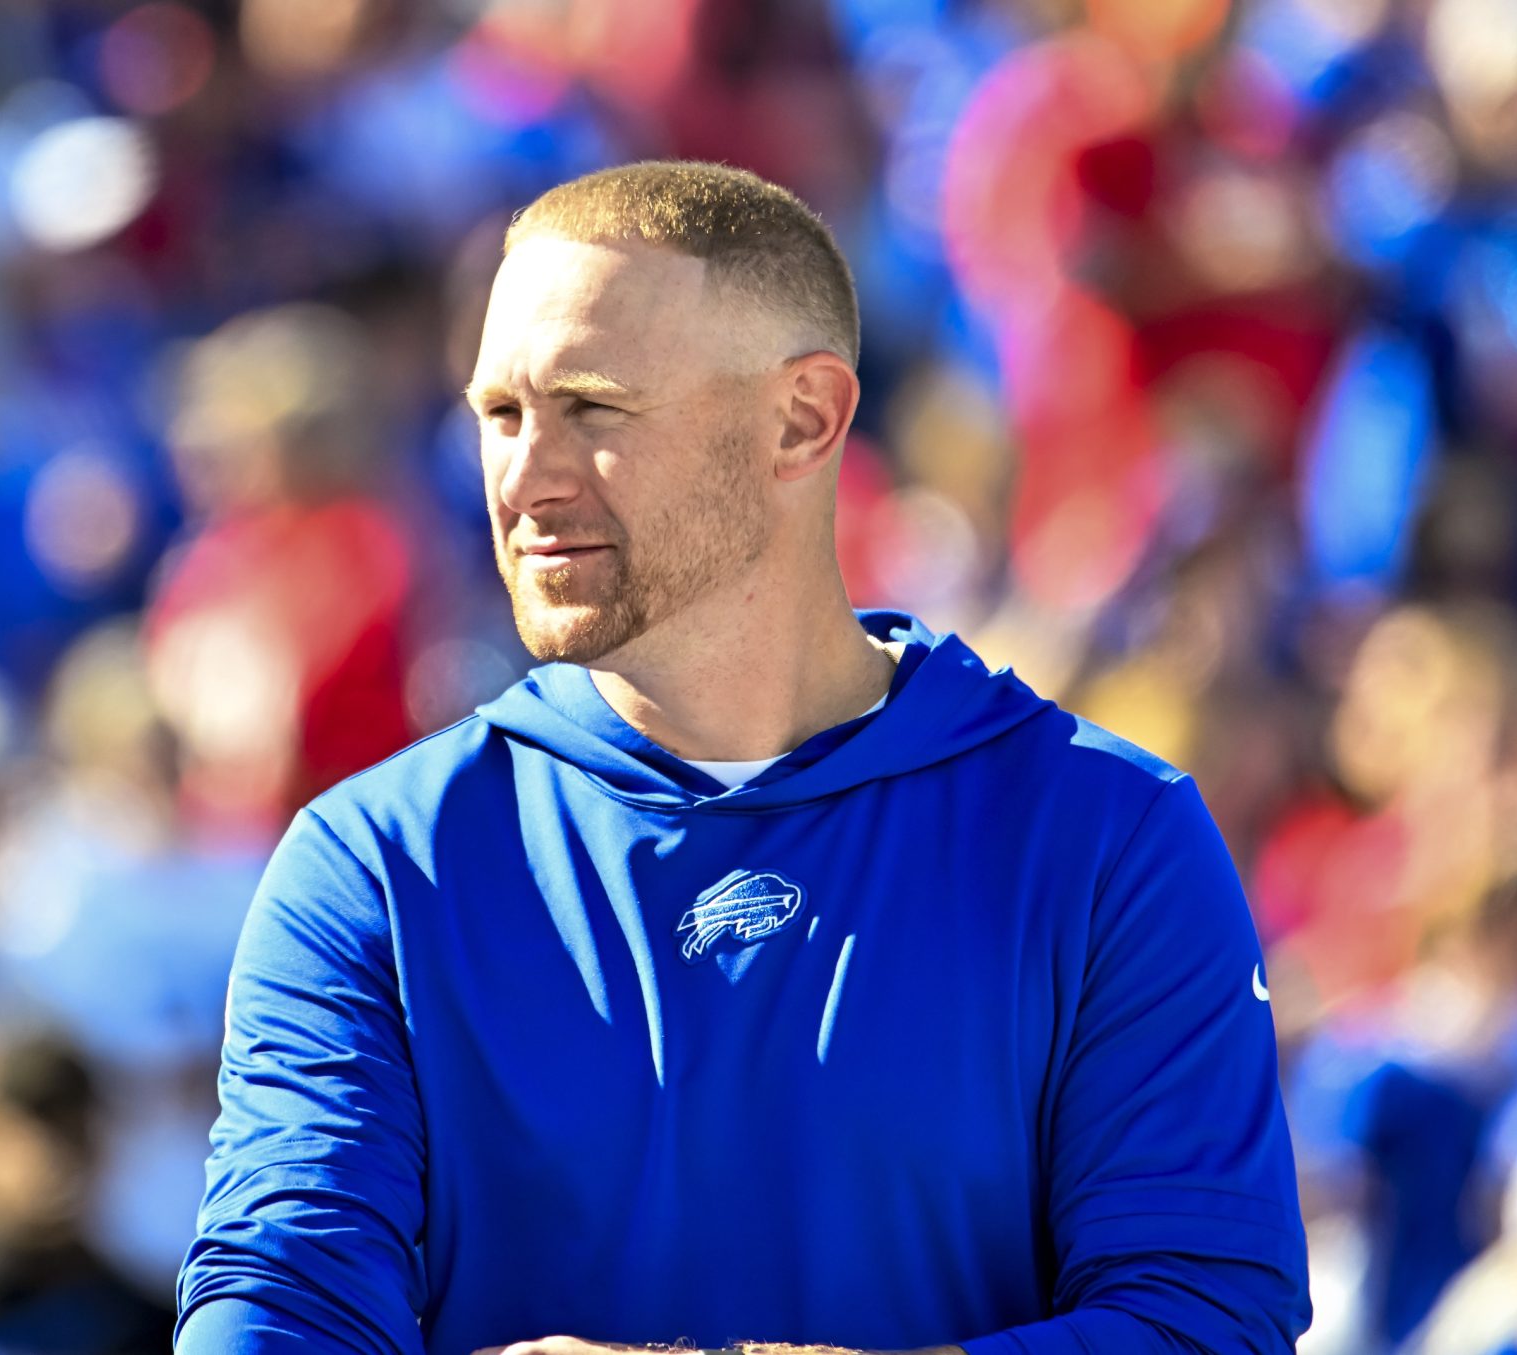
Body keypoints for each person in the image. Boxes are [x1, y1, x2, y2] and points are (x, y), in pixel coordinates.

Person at [178, 161, 1311, 1355]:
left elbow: (1206, 1319)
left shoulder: (1107, 837)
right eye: (500, 414)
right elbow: (273, 1309)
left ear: (802, 419)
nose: (523, 476)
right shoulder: (370, 864)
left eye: (594, 408)